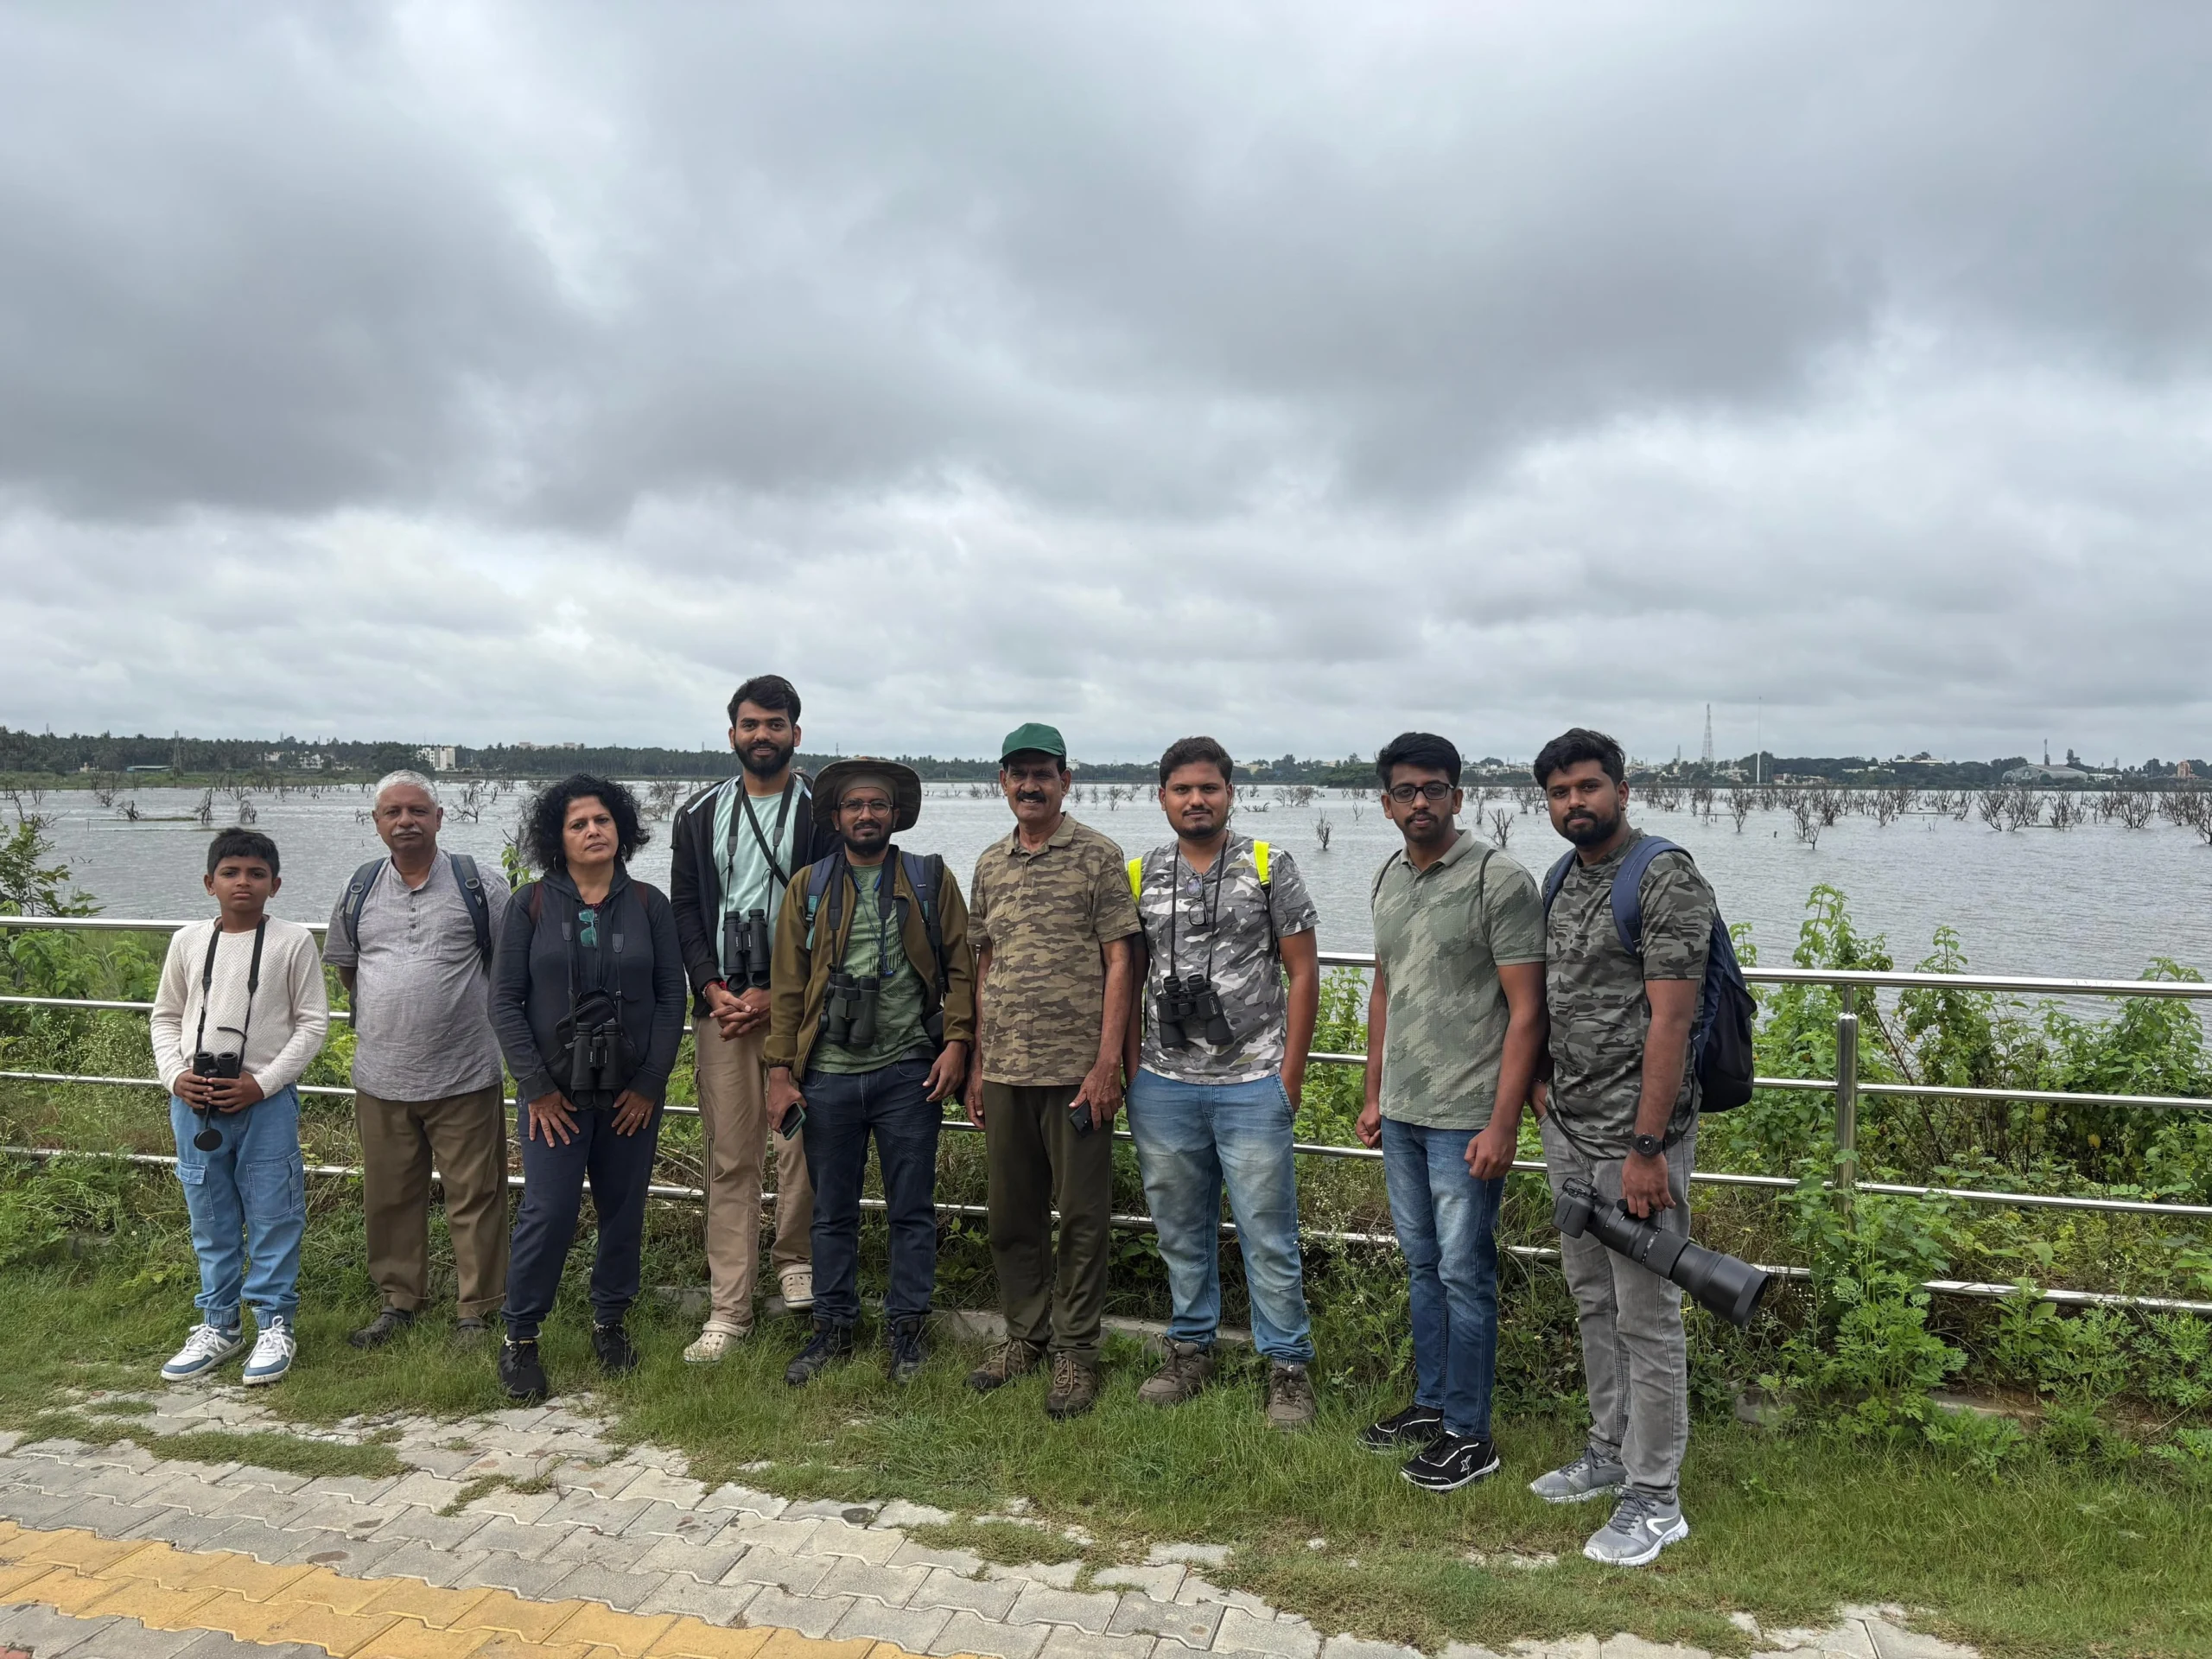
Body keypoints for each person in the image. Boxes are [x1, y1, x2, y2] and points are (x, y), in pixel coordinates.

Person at [1529, 727, 1713, 1567]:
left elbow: (1671, 1019)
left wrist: (1647, 1147)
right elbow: (1557, 995)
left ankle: (1656, 1495)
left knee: (1647, 1312)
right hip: (1569, 1128)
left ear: (1622, 791)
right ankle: (1610, 1449)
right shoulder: (1562, 877)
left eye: (1588, 787)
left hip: (1637, 1141)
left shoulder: (1664, 876)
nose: (1575, 802)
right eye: (1560, 792)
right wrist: (1541, 1086)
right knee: (1593, 1298)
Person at [1357, 733, 1546, 1491]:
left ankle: (1471, 1433)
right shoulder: (1388, 876)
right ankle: (1433, 1404)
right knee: (1424, 1264)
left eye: (1434, 789)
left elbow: (1528, 1011)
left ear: (1458, 797)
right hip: (1403, 1111)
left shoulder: (1499, 880)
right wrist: (1373, 1093)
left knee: (1466, 1272)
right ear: (1386, 803)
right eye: (1405, 791)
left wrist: (1504, 1122)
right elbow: (1384, 989)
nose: (1420, 803)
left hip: (1468, 1114)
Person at [1122, 736, 1320, 1430]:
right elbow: (1127, 976)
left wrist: (1289, 1076)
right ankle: (1189, 1349)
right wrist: (1132, 1074)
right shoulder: (1139, 873)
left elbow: (1304, 972)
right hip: (1163, 1084)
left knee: (1268, 1232)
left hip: (1253, 1082)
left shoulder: (1268, 864)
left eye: (1208, 788)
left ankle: (1288, 1367)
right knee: (1179, 1228)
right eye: (1182, 789)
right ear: (1162, 798)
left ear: (1230, 793)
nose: (1196, 800)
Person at [766, 760, 975, 1386]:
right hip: (827, 1074)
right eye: (854, 806)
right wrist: (780, 1071)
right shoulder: (808, 886)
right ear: (836, 817)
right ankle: (832, 1326)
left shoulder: (930, 879)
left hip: (909, 1071)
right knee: (830, 1211)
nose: (865, 815)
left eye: (877, 805)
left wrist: (957, 1043)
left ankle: (907, 1328)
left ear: (894, 815)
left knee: (912, 1209)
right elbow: (787, 986)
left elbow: (961, 969)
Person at [490, 775, 688, 1403]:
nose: (593, 831)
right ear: (558, 837)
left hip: (631, 1096)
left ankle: (610, 1323)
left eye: (602, 820)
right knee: (548, 1211)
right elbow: (504, 1001)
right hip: (554, 1098)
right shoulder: (529, 905)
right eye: (577, 824)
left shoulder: (650, 905)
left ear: (621, 828)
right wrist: (536, 1088)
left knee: (623, 1211)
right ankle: (521, 1336)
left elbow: (671, 998)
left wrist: (651, 1083)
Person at [963, 722, 1141, 1420]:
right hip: (1006, 1070)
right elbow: (985, 964)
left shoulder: (1098, 855)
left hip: (1076, 1073)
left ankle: (1076, 1352)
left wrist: (1106, 1065)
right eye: (1019, 774)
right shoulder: (989, 864)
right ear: (1002, 783)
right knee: (1012, 1216)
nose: (1030, 786)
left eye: (1043, 774)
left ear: (1066, 781)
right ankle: (1025, 1336)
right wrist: (978, 1063)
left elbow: (1121, 961)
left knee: (1083, 1219)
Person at [669, 675, 839, 1362]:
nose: (761, 735)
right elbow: (685, 909)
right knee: (732, 1155)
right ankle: (729, 1307)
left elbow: (833, 911)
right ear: (732, 733)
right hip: (723, 1009)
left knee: (803, 1143)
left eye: (774, 724)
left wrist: (777, 990)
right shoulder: (698, 814)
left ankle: (796, 1258)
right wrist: (710, 985)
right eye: (750, 724)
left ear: (796, 733)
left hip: (798, 1007)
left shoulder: (822, 811)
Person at [323, 771, 512, 1351]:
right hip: (381, 1077)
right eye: (393, 812)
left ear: (438, 817)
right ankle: (399, 1301)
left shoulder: (480, 884)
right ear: (377, 823)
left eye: (417, 810)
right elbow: (347, 965)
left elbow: (511, 967)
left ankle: (477, 1310)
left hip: (466, 1073)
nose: (405, 821)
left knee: (476, 1196)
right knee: (390, 1197)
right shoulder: (358, 887)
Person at [149, 830, 329, 1386]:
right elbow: (165, 1016)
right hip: (195, 1100)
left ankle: (274, 1322)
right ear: (210, 883)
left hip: (265, 1102)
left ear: (276, 884)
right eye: (230, 873)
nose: (243, 883)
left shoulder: (293, 942)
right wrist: (175, 1075)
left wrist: (263, 1083)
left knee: (275, 1212)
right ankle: (219, 1324)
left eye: (256, 873)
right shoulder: (187, 941)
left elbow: (312, 1024)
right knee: (210, 1216)